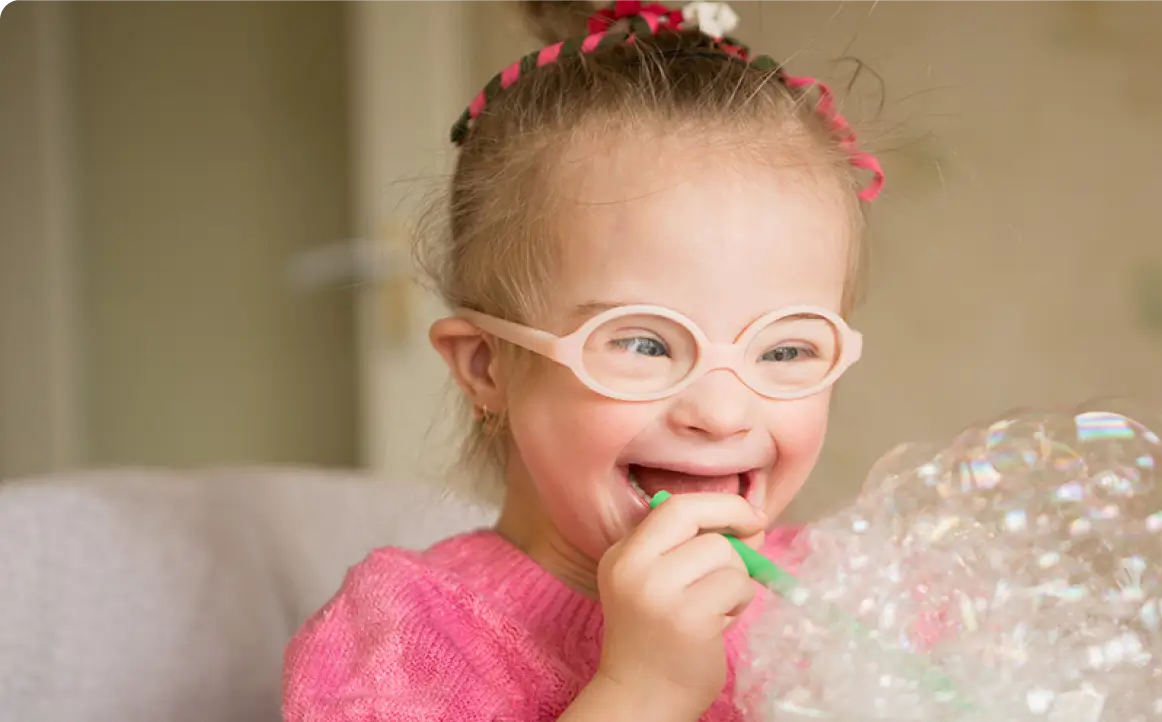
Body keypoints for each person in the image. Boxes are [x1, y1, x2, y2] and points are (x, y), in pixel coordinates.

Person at [282, 1, 883, 719]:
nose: (722, 413)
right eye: (644, 343)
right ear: (485, 367)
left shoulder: (850, 604)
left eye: (786, 348)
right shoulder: (401, 638)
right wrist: (642, 691)